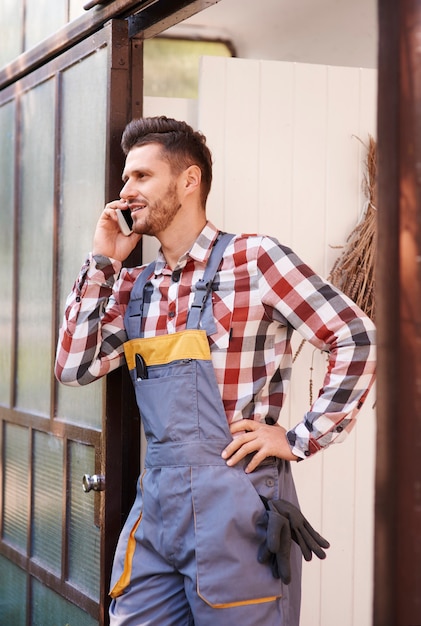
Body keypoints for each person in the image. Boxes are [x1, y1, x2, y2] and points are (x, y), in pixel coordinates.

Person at [55, 116, 376, 626]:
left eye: (141, 176)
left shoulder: (254, 260)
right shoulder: (135, 285)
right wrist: (102, 263)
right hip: (157, 504)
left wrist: (298, 438)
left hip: (237, 503)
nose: (125, 190)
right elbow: (72, 367)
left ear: (189, 181)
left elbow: (358, 337)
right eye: (125, 179)